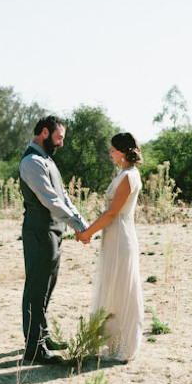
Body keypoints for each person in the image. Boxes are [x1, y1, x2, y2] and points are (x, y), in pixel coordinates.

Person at [19, 116, 89, 364]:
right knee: (36, 289)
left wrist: (80, 222)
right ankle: (34, 348)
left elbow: (64, 197)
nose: (61, 143)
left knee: (48, 287)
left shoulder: (47, 161)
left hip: (54, 230)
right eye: (59, 138)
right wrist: (79, 226)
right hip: (39, 231)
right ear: (45, 133)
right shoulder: (32, 162)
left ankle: (43, 337)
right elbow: (51, 200)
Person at [75, 133, 144, 362]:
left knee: (121, 287)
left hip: (121, 234)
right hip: (115, 234)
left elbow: (112, 212)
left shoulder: (127, 176)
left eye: (113, 150)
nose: (110, 153)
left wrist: (87, 232)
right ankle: (111, 340)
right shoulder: (125, 174)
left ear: (123, 151)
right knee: (114, 285)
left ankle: (122, 344)